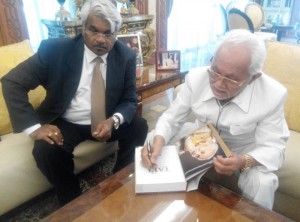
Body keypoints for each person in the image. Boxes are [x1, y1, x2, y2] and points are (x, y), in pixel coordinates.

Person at [1, 0, 148, 206]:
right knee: (45, 151)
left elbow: (130, 100)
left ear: (117, 33)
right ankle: (72, 200)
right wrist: (34, 128)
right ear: (82, 27)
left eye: (108, 33)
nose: (100, 39)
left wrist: (113, 120)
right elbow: (12, 82)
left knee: (139, 126)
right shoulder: (55, 51)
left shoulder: (126, 56)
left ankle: (119, 182)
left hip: (105, 119)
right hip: (66, 121)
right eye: (93, 30)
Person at [141, 29, 289, 209]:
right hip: (199, 138)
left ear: (253, 78)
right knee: (153, 139)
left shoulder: (273, 95)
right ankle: (153, 204)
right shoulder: (196, 77)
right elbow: (172, 118)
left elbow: (274, 148)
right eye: (215, 71)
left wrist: (242, 160)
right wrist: (158, 140)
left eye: (231, 80)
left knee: (263, 181)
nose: (218, 84)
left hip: (243, 149)